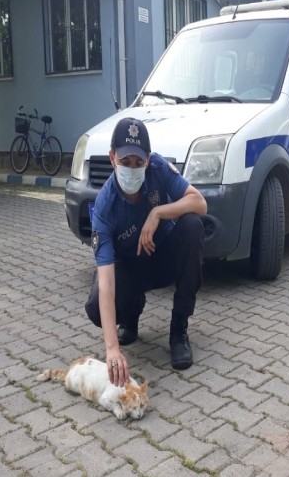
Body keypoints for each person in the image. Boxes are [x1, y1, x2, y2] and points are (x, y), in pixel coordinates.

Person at [85, 117, 207, 386]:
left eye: (138, 162)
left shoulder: (159, 169)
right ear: (112, 157)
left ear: (148, 160)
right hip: (129, 269)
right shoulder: (105, 207)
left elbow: (199, 203)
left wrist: (158, 212)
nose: (132, 168)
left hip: (162, 256)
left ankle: (178, 331)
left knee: (192, 226)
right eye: (125, 162)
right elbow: (106, 282)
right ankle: (131, 315)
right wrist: (111, 349)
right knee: (95, 306)